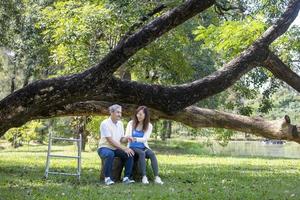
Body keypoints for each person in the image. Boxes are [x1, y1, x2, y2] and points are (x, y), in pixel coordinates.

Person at [97, 104, 135, 185]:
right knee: (110, 154)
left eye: (120, 112)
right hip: (104, 148)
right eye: (118, 112)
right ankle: (107, 178)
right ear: (111, 112)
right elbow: (110, 141)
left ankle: (126, 178)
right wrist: (124, 148)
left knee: (130, 154)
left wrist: (127, 138)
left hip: (115, 148)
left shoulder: (120, 124)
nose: (120, 114)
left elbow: (121, 139)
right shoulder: (105, 123)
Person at [125, 106, 164, 184]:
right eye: (138, 114)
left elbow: (145, 139)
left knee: (152, 154)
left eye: (141, 114)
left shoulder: (149, 125)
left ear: (145, 115)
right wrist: (129, 137)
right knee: (142, 153)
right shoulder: (131, 123)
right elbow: (127, 135)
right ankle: (144, 176)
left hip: (143, 146)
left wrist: (134, 138)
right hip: (132, 146)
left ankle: (156, 177)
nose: (138, 116)